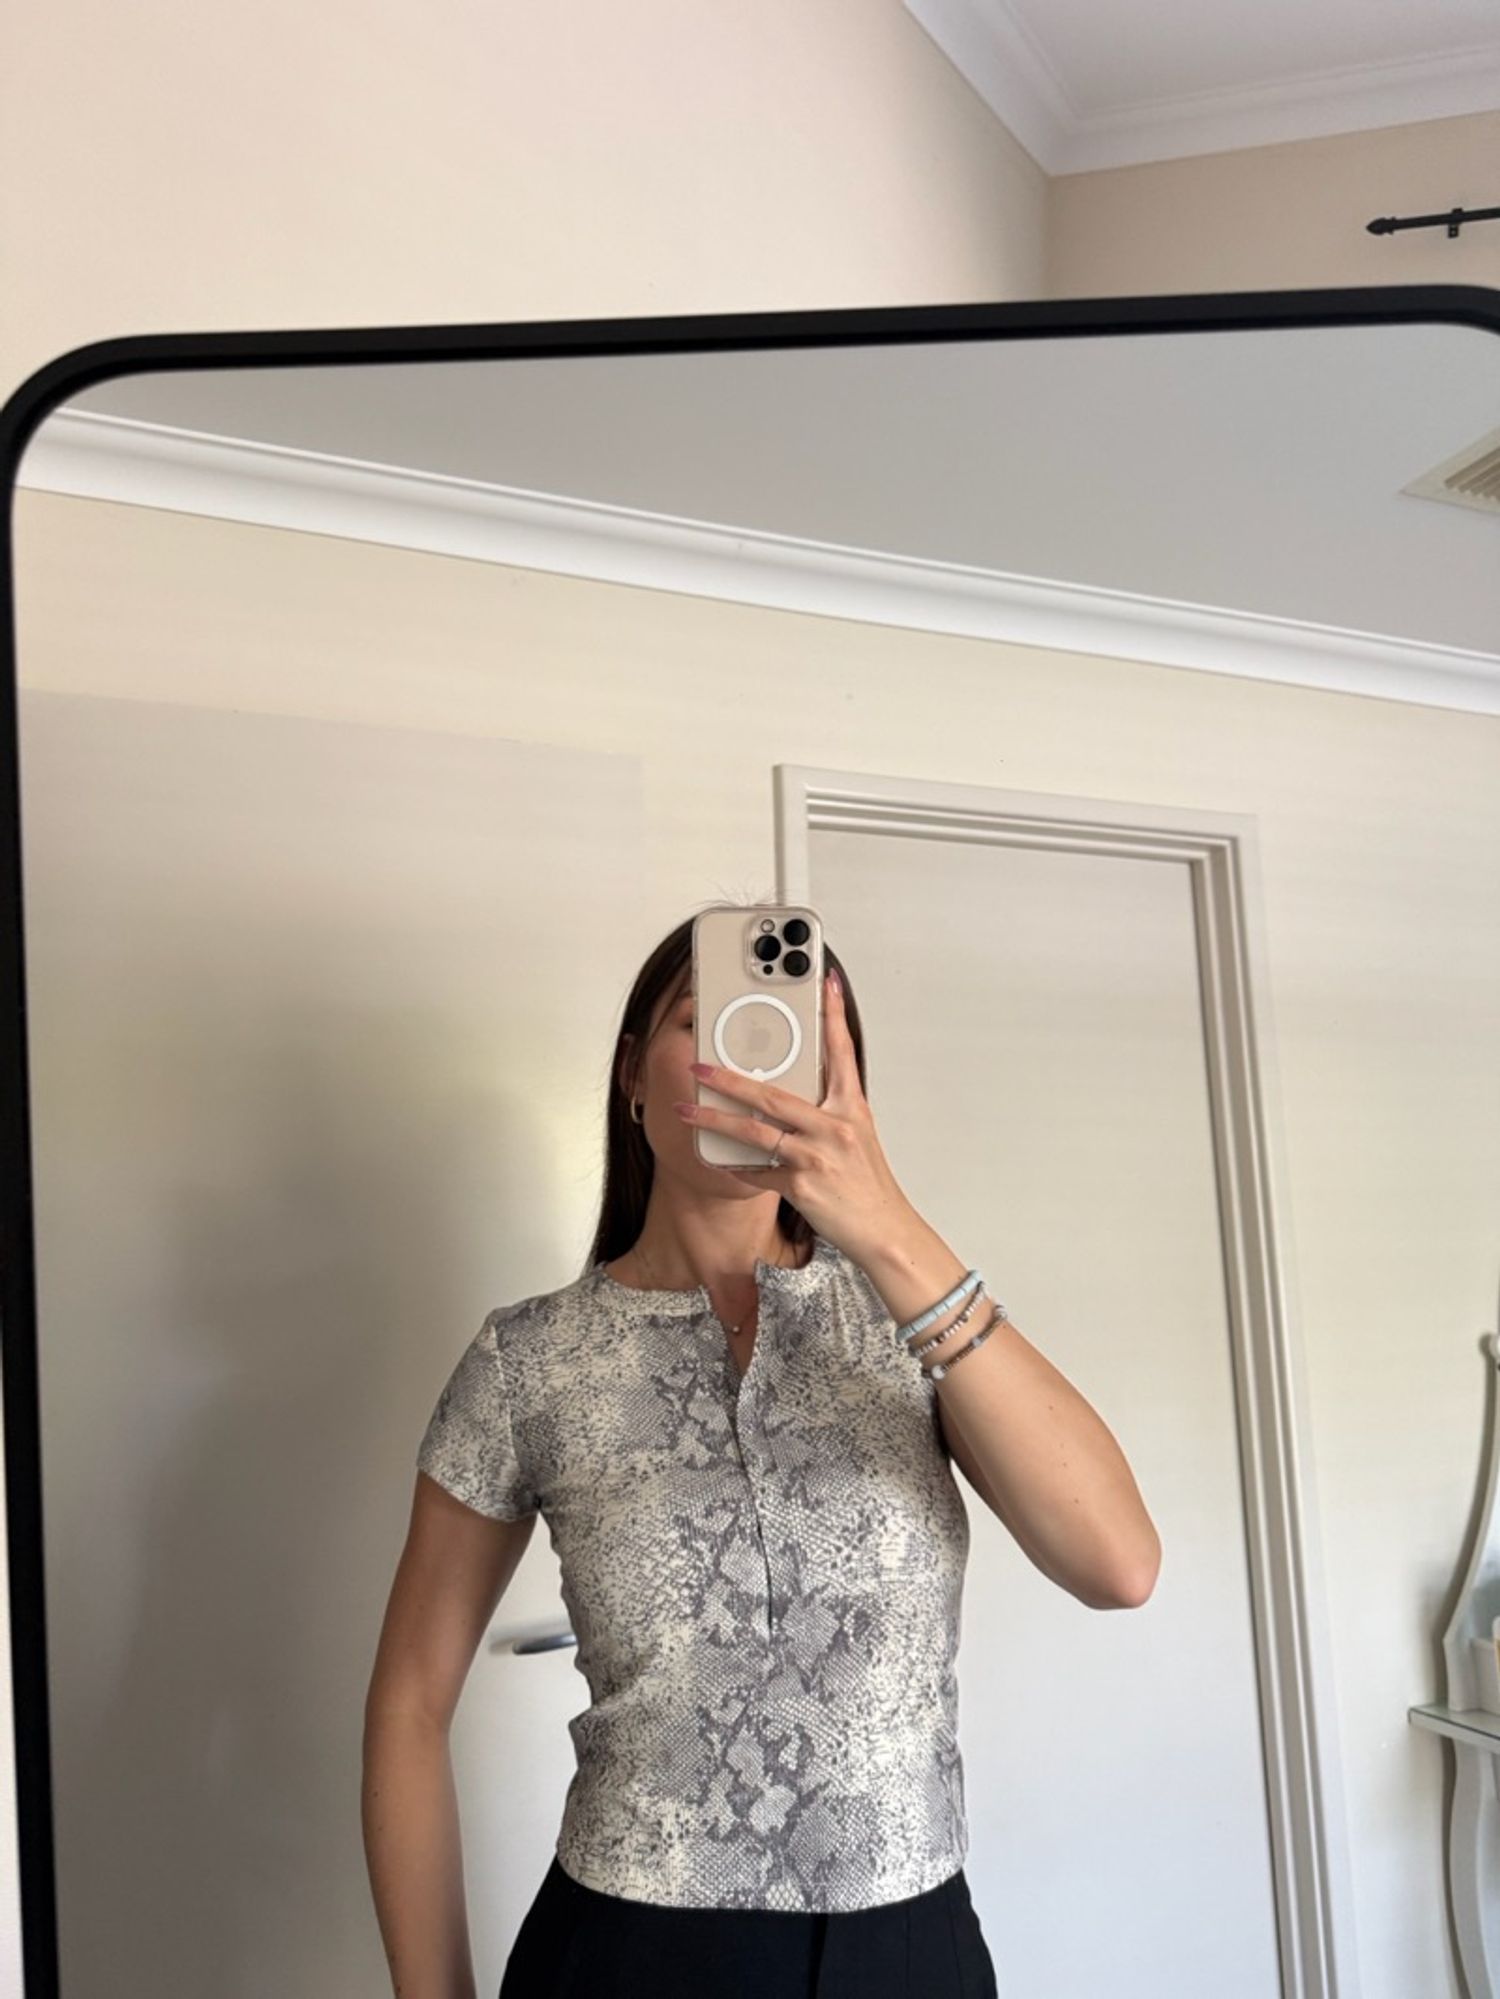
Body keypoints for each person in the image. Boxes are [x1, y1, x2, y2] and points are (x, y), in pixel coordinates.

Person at [366, 909, 1010, 1997]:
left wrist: (888, 1226)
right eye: (701, 1022)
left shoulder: (916, 1320)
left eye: (781, 1037)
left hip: (913, 1950)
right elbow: (408, 1706)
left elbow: (1117, 1562)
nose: (744, 1065)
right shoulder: (530, 1361)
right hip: (629, 1953)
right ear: (632, 1073)